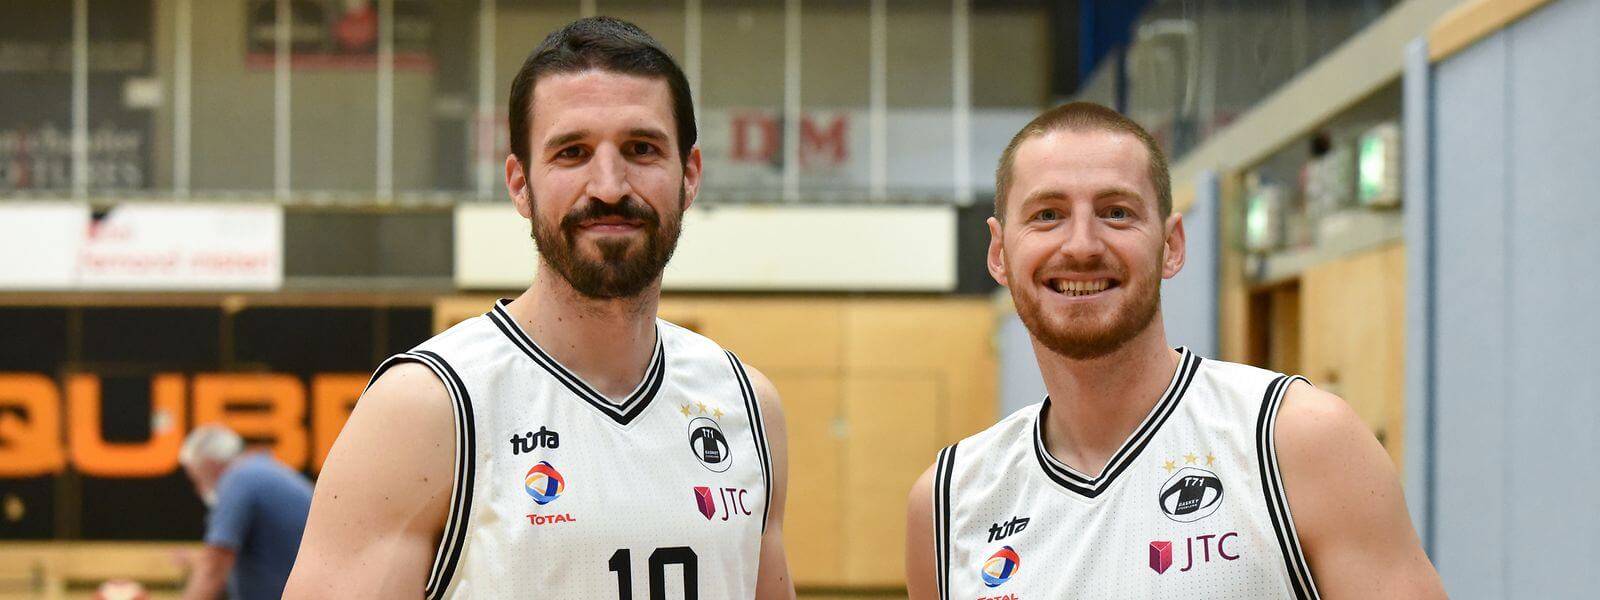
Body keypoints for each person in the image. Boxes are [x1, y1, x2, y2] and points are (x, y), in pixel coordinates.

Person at [284, 16, 794, 599]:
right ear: (520, 184)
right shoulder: (427, 408)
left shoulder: (747, 406)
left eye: (642, 149)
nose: (609, 186)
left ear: (690, 175)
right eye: (572, 153)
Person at [903, 102, 1445, 599]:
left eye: (1116, 212)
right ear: (999, 253)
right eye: (1047, 214)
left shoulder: (1296, 441)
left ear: (1171, 245)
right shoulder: (950, 502)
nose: (1082, 245)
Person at [176, 424, 312, 600]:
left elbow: (213, 569)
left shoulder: (238, 479)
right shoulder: (259, 472)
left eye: (196, 478)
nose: (198, 489)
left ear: (210, 464)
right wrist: (198, 561)